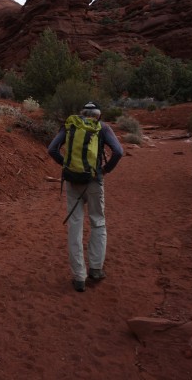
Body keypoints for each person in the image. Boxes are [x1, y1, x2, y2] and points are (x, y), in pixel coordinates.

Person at [47, 101, 123, 292]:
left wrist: (66, 166)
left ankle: (79, 277)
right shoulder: (102, 127)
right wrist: (104, 170)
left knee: (75, 226)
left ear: (83, 113)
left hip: (73, 182)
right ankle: (96, 269)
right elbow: (118, 152)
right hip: (94, 181)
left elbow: (52, 149)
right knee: (98, 221)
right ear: (98, 115)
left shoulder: (72, 125)